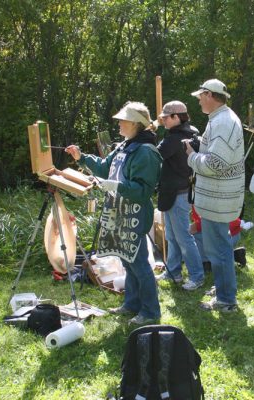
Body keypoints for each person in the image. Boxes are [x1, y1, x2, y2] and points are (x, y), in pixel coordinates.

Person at [65, 101, 162, 325]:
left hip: (135, 215)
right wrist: (81, 157)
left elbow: (142, 191)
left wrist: (110, 185)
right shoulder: (125, 145)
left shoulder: (146, 152)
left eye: (123, 120)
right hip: (119, 212)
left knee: (139, 264)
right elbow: (105, 167)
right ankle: (131, 303)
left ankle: (150, 312)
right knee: (127, 262)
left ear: (136, 124)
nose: (118, 123)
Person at [185, 79, 245, 312]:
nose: (199, 100)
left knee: (219, 249)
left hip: (219, 199)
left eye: (200, 96)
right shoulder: (221, 119)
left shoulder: (223, 122)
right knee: (219, 248)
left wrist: (191, 156)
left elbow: (215, 163)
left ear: (209, 95)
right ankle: (223, 289)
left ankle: (226, 300)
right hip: (217, 198)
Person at [153, 101, 205, 291]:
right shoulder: (184, 133)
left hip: (178, 192)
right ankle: (173, 271)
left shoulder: (176, 138)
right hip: (175, 190)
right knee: (172, 236)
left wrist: (151, 133)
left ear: (176, 117)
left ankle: (197, 276)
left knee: (183, 237)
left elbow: (155, 155)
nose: (163, 120)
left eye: (166, 117)